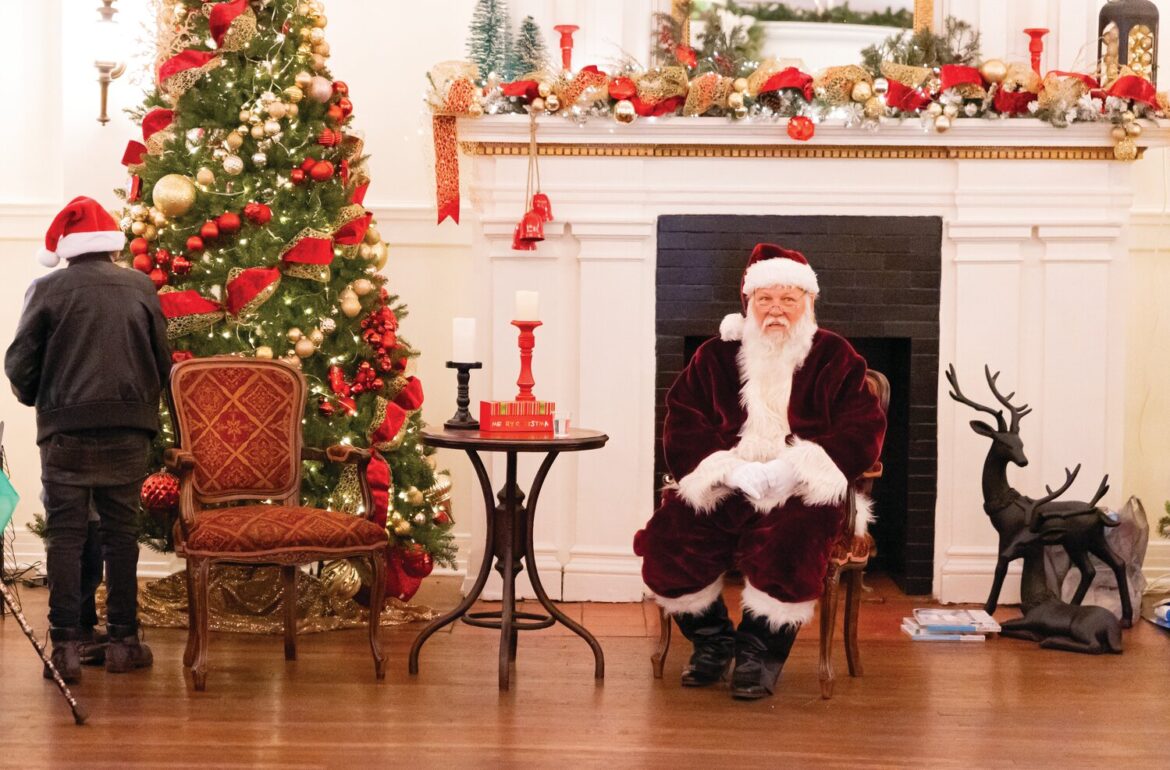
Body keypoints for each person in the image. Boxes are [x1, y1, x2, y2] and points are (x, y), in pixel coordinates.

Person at [633, 243, 886, 700]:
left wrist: (800, 468)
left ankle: (759, 653)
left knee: (792, 540)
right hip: (731, 484)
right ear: (747, 304)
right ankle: (713, 643)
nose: (776, 310)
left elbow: (864, 426)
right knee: (671, 538)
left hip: (802, 490)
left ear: (808, 304)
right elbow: (682, 420)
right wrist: (727, 471)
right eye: (765, 299)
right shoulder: (714, 357)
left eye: (788, 300)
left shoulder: (836, 356)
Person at [5, 196, 172, 682]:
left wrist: (42, 399)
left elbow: (19, 364)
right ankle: (123, 641)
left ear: (67, 249)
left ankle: (67, 647)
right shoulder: (141, 287)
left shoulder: (47, 288)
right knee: (121, 534)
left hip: (66, 431)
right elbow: (162, 362)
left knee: (65, 535)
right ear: (112, 247)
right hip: (128, 429)